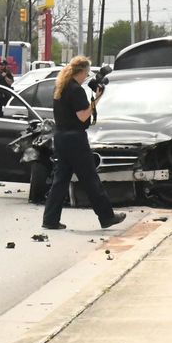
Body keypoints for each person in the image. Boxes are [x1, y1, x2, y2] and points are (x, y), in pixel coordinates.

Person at [41, 55, 127, 231]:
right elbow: (82, 116)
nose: (86, 76)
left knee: (61, 180)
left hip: (61, 137)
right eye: (86, 73)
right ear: (80, 71)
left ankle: (50, 219)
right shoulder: (76, 90)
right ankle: (107, 217)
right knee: (90, 178)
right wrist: (97, 99)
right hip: (75, 139)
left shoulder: (61, 87)